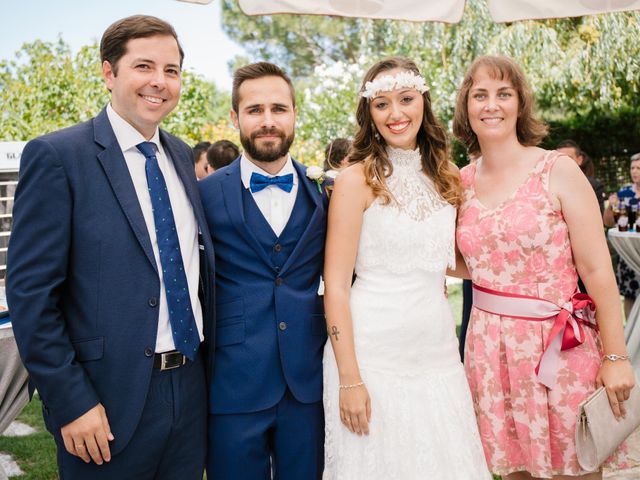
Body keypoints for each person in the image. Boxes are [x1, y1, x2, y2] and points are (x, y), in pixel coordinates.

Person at [6, 15, 215, 480]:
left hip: (190, 388)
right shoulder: (58, 157)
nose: (159, 82)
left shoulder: (180, 156)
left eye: (172, 70)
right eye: (144, 66)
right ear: (108, 72)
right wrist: (71, 401)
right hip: (104, 399)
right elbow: (31, 296)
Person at [453, 55, 635, 479]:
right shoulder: (458, 183)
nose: (491, 104)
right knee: (511, 470)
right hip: (489, 352)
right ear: (466, 106)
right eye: (479, 95)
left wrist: (616, 357)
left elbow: (597, 270)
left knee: (577, 466)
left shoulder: (558, 170)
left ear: (520, 104)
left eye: (503, 94)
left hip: (561, 349)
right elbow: (469, 262)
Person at [322, 56, 490, 479]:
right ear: (368, 112)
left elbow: (448, 258)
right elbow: (337, 285)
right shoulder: (355, 179)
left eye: (406, 99)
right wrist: (349, 379)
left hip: (437, 354)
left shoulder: (449, 175)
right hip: (371, 359)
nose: (396, 114)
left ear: (423, 102)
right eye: (381, 104)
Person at [198, 62, 329, 480]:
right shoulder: (202, 193)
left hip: (309, 383)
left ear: (294, 114)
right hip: (233, 383)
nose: (268, 121)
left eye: (279, 109)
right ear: (235, 118)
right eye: (254, 110)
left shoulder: (325, 192)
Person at [603, 152, 640, 319]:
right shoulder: (624, 192)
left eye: (639, 168)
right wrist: (610, 206)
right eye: (632, 167)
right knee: (629, 295)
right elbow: (609, 223)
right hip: (628, 255)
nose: (635, 171)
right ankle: (630, 339)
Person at [556, 140, 606, 213]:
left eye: (569, 158)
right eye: (559, 159)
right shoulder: (547, 184)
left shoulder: (593, 186)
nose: (563, 163)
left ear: (579, 160)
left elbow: (599, 217)